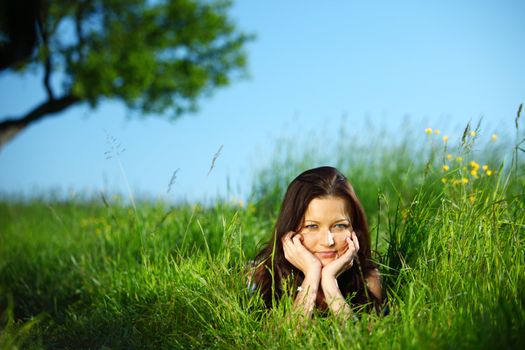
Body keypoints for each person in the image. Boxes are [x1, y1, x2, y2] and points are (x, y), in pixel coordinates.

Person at [252, 166, 382, 318]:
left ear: (354, 229)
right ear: (290, 231)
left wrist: (329, 282)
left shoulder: (368, 280)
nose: (328, 241)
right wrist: (312, 274)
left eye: (340, 226)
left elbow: (358, 340)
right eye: (312, 226)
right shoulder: (262, 276)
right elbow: (284, 339)